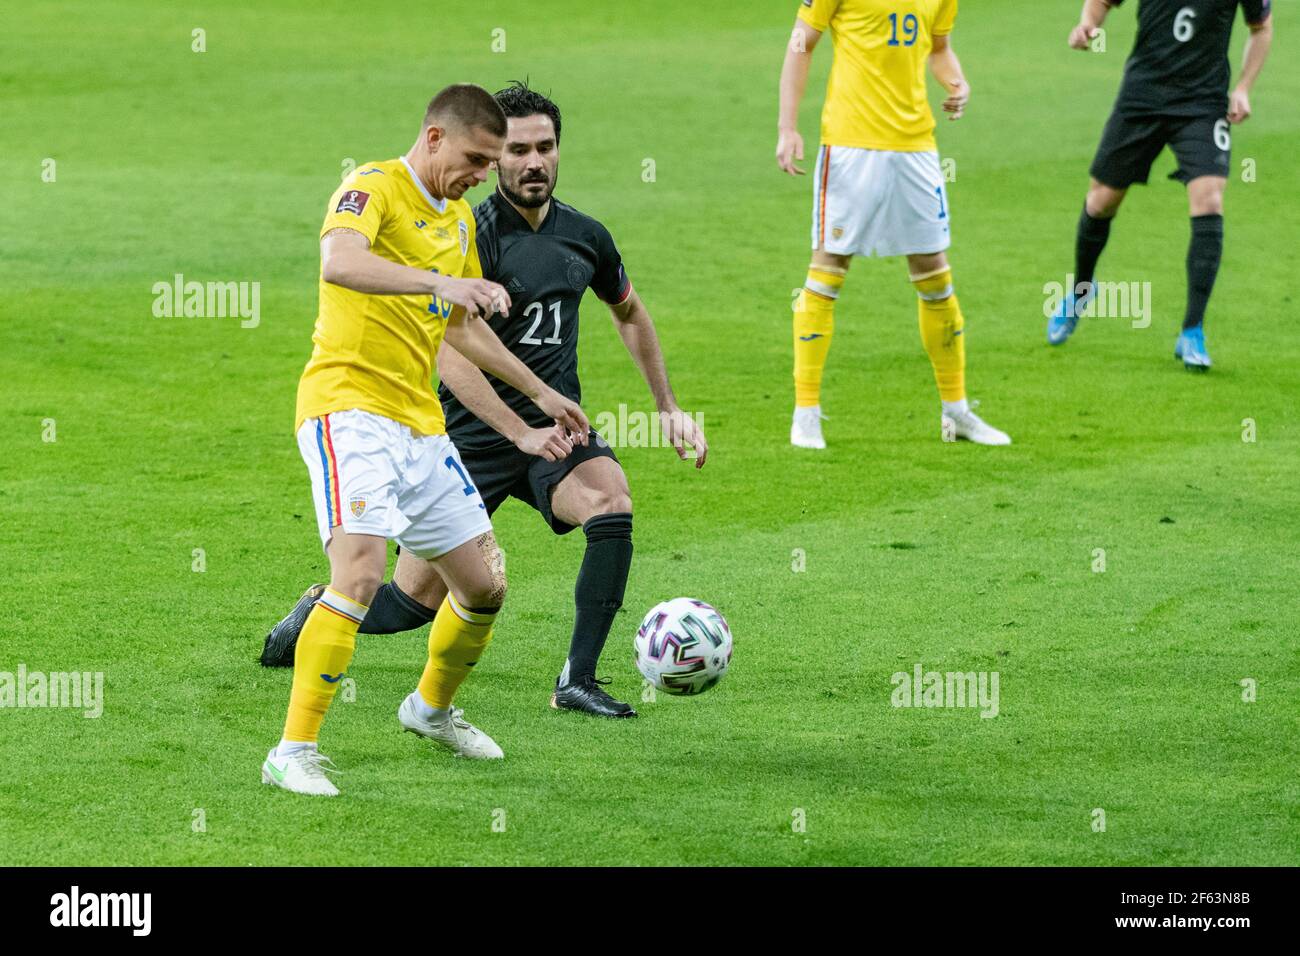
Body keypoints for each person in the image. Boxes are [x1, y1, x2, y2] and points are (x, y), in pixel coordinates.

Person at [261, 82, 708, 721]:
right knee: (407, 606)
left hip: (551, 428)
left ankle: (576, 680)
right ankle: (317, 616)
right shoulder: (455, 224)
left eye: (545, 148)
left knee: (610, 499)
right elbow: (446, 346)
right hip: (465, 434)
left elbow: (629, 311)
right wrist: (512, 420)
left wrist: (662, 406)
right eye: (513, 151)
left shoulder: (582, 236)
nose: (532, 162)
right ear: (489, 155)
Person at [262, 84, 588, 797]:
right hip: (348, 411)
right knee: (358, 575)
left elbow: (463, 327)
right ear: (435, 138)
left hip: (419, 423)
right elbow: (340, 264)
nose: (483, 173)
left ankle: (431, 710)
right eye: (477, 157)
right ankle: (292, 750)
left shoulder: (460, 219)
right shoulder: (370, 187)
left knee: (482, 585)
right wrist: (438, 281)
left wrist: (539, 402)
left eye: (492, 161)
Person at [778, 0, 1011, 449]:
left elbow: (938, 47)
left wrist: (956, 81)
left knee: (935, 275)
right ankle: (805, 412)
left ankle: (956, 411)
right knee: (828, 268)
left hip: (916, 147)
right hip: (850, 145)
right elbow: (800, 43)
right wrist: (788, 127)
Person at [1046, 0, 1273, 370]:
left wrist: (1244, 87)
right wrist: (1088, 23)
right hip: (1143, 95)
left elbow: (1261, 27)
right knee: (1101, 202)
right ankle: (1080, 291)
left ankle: (1192, 331)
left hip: (1202, 102)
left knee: (1209, 198)